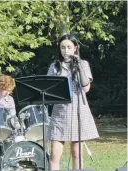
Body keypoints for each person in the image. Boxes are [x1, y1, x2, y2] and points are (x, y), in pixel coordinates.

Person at [47, 34, 99, 170]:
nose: (65, 50)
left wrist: (78, 65)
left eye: (69, 47)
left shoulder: (83, 64)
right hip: (60, 112)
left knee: (76, 152)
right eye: (62, 47)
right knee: (55, 153)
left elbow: (86, 87)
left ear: (75, 48)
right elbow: (48, 88)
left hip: (78, 111)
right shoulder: (54, 66)